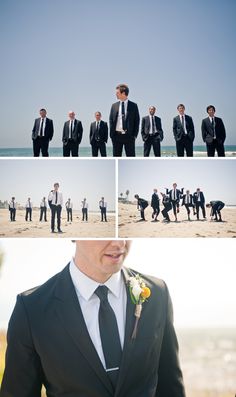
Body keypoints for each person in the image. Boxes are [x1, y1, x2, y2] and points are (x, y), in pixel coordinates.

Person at [0, 240, 186, 397]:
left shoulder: (157, 294)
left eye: (123, 229)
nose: (119, 243)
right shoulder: (32, 309)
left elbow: (170, 385)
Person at [109, 84, 140, 157]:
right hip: (116, 136)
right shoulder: (114, 106)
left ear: (123, 93)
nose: (116, 94)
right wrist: (112, 135)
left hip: (129, 137)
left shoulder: (133, 106)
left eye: (117, 93)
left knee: (131, 158)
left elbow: (137, 121)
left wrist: (134, 135)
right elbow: (111, 120)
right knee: (116, 158)